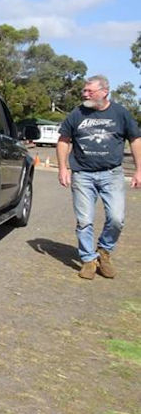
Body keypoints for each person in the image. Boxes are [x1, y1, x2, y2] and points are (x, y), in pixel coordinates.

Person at [57, 74, 141, 279]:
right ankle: (88, 259)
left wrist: (139, 170)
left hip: (112, 174)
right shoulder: (77, 113)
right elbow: (63, 140)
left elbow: (135, 139)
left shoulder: (120, 113)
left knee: (116, 219)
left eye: (90, 91)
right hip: (83, 175)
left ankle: (104, 251)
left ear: (104, 92)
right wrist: (62, 167)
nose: (85, 94)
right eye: (84, 90)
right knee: (84, 220)